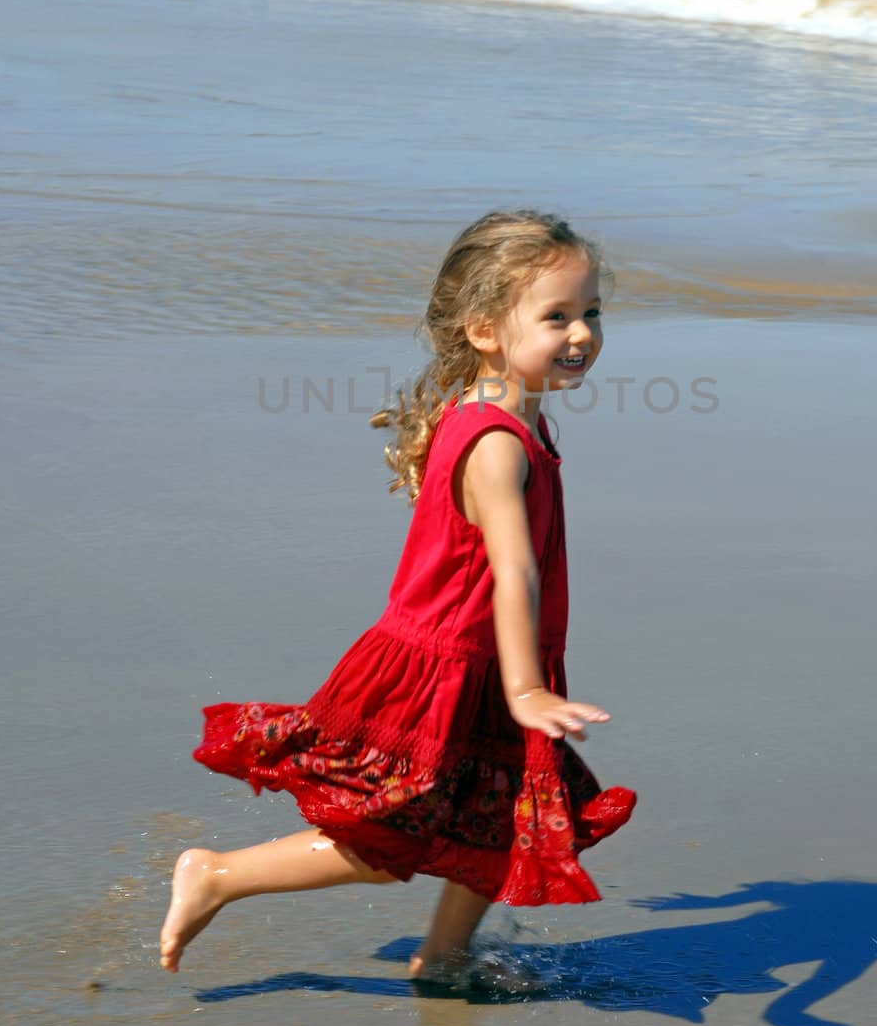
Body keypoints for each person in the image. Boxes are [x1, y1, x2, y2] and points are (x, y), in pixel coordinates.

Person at [160, 208, 636, 985]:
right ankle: (217, 874)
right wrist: (526, 688)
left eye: (590, 312)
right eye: (556, 316)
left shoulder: (517, 418)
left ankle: (443, 958)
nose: (581, 332)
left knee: (500, 825)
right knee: (385, 843)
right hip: (447, 668)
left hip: (487, 662)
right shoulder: (492, 443)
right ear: (484, 328)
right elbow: (513, 568)